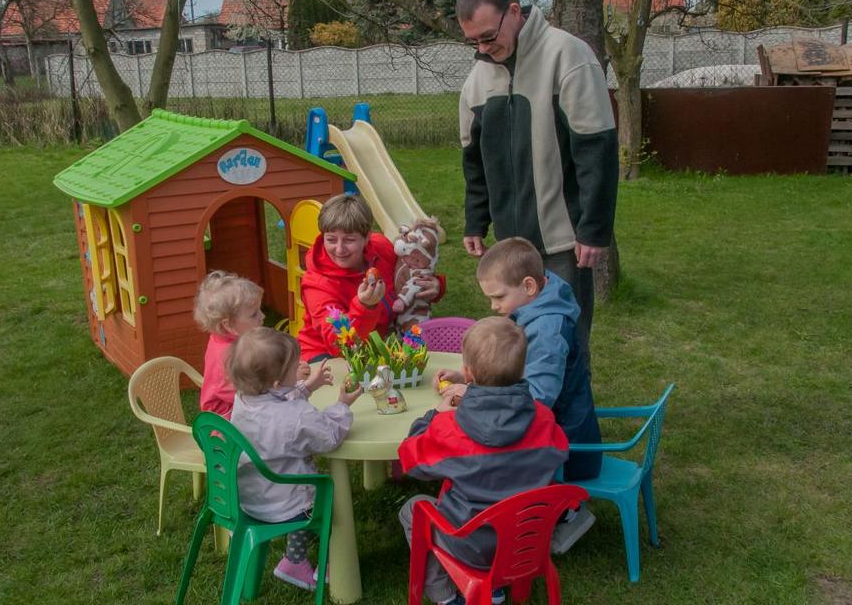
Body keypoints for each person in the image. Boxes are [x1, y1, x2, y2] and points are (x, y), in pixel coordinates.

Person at [455, 0, 619, 353]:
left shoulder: (568, 56)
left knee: (566, 346)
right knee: (518, 348)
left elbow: (597, 150)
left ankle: (572, 415)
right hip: (511, 243)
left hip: (564, 241)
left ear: (514, 11)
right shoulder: (477, 80)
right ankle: (530, 413)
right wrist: (475, 220)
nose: (482, 47)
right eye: (473, 41)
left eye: (488, 36)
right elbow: (474, 160)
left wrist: (593, 229)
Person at [438, 237, 602, 553]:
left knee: (490, 448)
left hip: (563, 442)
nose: (493, 306)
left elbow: (539, 398)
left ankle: (566, 511)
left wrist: (475, 393)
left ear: (528, 286)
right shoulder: (539, 303)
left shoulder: (548, 330)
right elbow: (514, 372)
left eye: (498, 296)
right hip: (558, 427)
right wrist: (470, 377)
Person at [398, 317, 570, 605]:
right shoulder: (544, 418)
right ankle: (494, 589)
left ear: (468, 373)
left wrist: (436, 415)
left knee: (412, 510)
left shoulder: (452, 428)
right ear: (521, 368)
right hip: (526, 540)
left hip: (470, 543)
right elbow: (558, 452)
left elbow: (410, 461)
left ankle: (445, 596)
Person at [228, 327, 364, 590]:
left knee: (305, 494)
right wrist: (342, 406)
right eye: (295, 367)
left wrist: (307, 386)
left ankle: (295, 561)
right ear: (278, 382)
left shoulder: (244, 400)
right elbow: (328, 437)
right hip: (285, 505)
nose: (301, 367)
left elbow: (276, 404)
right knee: (331, 506)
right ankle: (321, 563)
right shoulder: (297, 415)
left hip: (248, 498)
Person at [298, 193, 444, 363]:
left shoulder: (382, 248)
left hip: (376, 347)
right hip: (324, 356)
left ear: (367, 236)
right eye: (331, 239)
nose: (339, 249)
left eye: (349, 240)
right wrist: (364, 306)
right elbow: (341, 345)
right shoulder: (316, 284)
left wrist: (435, 286)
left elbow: (408, 273)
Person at [193, 270, 265, 417]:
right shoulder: (227, 356)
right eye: (254, 314)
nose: (263, 316)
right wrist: (280, 380)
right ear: (228, 325)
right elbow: (248, 395)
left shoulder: (232, 338)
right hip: (225, 425)